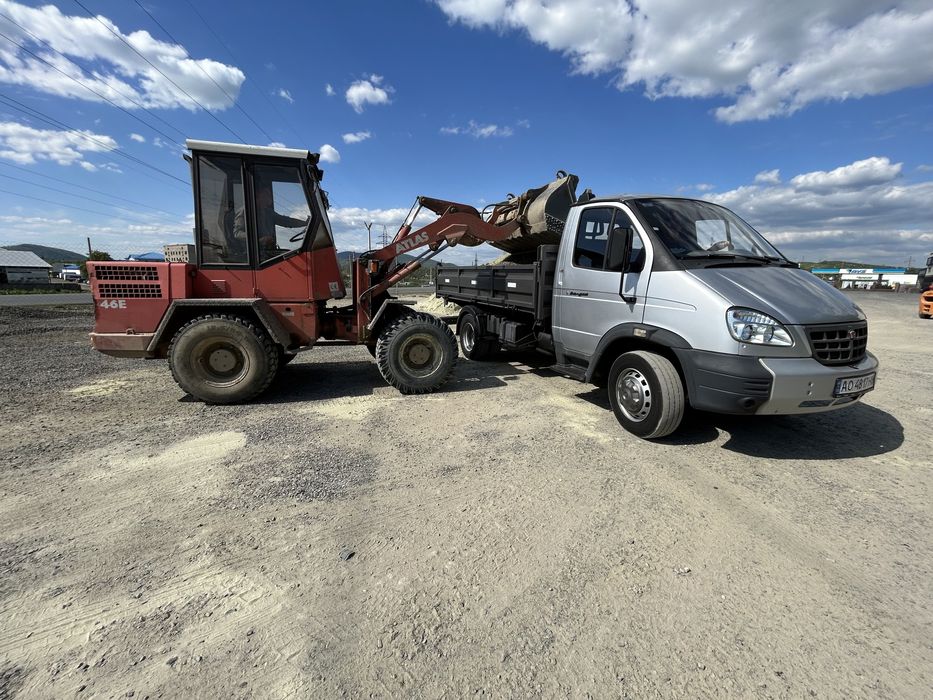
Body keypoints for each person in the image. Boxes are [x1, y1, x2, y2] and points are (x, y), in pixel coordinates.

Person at [232, 183, 308, 260]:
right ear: (258, 196)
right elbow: (237, 233)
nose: (269, 198)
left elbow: (285, 221)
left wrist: (305, 223)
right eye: (266, 195)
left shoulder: (268, 212)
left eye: (269, 195)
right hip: (252, 254)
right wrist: (259, 239)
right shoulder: (245, 211)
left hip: (267, 251)